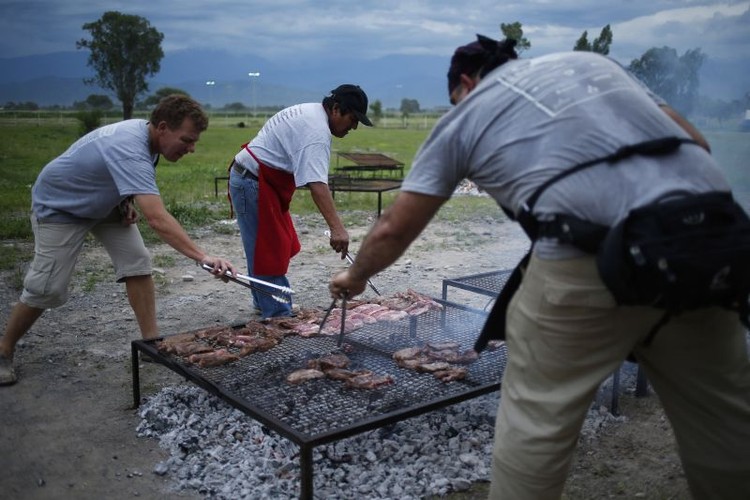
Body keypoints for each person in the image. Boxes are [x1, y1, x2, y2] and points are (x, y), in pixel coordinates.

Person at [329, 35, 750, 499]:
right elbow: (696, 142)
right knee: (727, 420)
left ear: (466, 83)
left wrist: (355, 276)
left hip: (588, 256)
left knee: (537, 421)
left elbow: (393, 227)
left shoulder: (467, 114)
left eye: (454, 98)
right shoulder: (595, 66)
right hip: (706, 244)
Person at [0, 94, 236, 386]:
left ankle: (151, 344)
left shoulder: (148, 141)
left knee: (137, 261)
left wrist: (123, 201)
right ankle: (3, 350)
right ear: (162, 127)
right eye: (187, 140)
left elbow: (116, 176)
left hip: (103, 205)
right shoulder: (130, 146)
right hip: (61, 206)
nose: (191, 148)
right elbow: (157, 219)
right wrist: (203, 256)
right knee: (46, 287)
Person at [229, 84, 372, 319]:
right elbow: (317, 186)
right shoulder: (316, 132)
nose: (354, 127)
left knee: (264, 247)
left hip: (258, 180)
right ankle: (278, 314)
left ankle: (265, 303)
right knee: (268, 249)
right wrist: (337, 228)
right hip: (253, 183)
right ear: (336, 109)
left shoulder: (312, 112)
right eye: (353, 119)